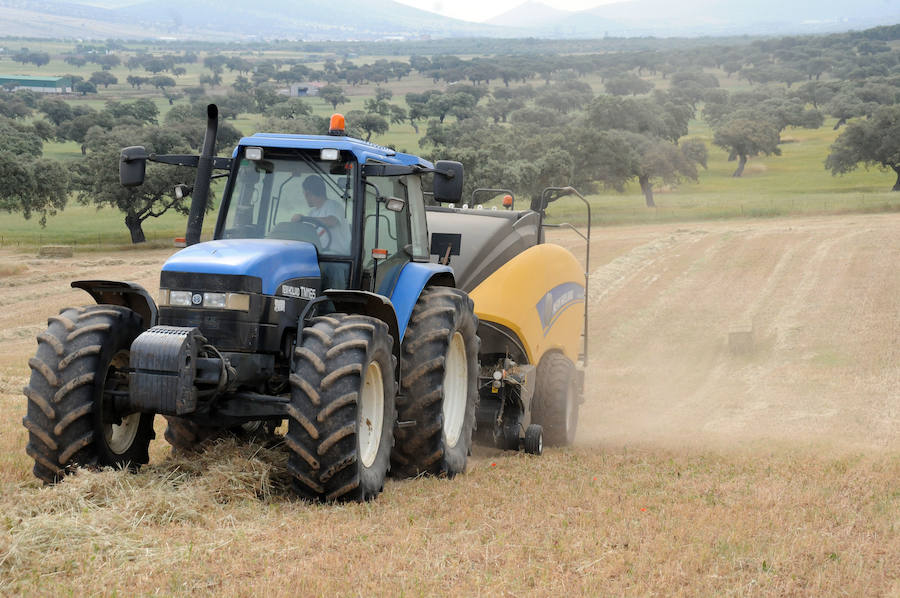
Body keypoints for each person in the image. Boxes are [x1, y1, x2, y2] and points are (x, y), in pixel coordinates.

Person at [291, 175, 351, 255]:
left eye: (304, 193)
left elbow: (331, 221)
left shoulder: (333, 206)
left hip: (337, 257)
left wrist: (304, 218)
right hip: (320, 255)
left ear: (307, 193)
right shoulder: (312, 213)